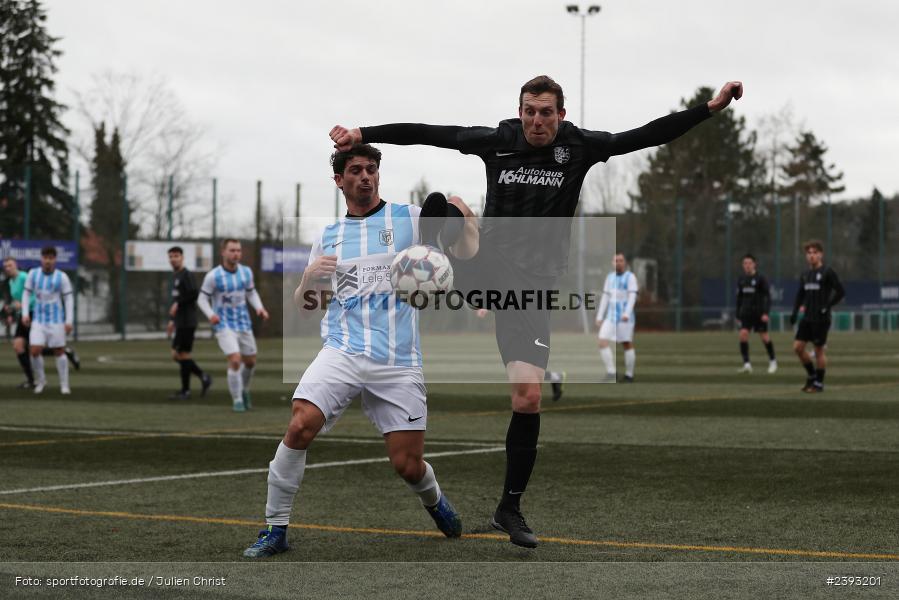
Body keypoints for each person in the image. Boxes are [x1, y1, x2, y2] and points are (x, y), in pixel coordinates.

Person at [331, 75, 743, 548]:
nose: (536, 120)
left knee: (527, 398)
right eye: (529, 110)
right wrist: (365, 133)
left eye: (545, 112)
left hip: (531, 290)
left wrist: (708, 109)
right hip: (486, 263)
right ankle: (434, 253)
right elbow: (431, 132)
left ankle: (509, 507)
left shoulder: (579, 147)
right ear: (520, 110)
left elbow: (644, 135)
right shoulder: (499, 140)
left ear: (560, 115)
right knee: (453, 207)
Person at [243, 144, 462, 558]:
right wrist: (308, 278)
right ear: (339, 180)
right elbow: (305, 307)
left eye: (372, 169)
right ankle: (275, 528)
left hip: (398, 361)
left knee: (407, 465)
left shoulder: (409, 219)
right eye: (356, 170)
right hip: (342, 350)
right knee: (299, 425)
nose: (365, 176)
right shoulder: (328, 237)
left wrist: (452, 224)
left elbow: (452, 220)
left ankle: (435, 500)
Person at [198, 239, 268, 412]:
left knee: (250, 362)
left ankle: (244, 390)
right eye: (232, 250)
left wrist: (260, 308)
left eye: (238, 250)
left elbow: (251, 293)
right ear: (223, 252)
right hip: (223, 325)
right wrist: (211, 314)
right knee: (235, 360)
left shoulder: (246, 272)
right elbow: (202, 299)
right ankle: (237, 399)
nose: (236, 253)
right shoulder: (213, 276)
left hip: (243, 322)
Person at [790, 240, 844, 393]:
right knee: (798, 348)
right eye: (809, 253)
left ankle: (819, 383)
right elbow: (800, 294)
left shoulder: (827, 272)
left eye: (815, 253)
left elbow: (841, 292)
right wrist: (794, 312)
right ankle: (812, 375)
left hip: (821, 319)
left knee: (819, 351)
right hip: (807, 317)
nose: (811, 255)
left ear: (821, 255)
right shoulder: (805, 274)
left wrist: (827, 306)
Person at [21, 246, 74, 394]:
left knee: (59, 351)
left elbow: (69, 299)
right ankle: (42, 381)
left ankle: (64, 384)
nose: (48, 261)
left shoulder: (62, 277)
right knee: (34, 350)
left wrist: (69, 321)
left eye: (51, 258)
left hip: (56, 320)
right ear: (41, 259)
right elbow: (26, 295)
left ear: (55, 260)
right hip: (38, 320)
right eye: (45, 258)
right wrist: (25, 314)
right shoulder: (33, 274)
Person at [166, 246, 212, 400]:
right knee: (181, 355)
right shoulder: (176, 276)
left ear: (182, 258)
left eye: (176, 256)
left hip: (188, 322)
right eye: (171, 256)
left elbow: (194, 294)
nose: (173, 259)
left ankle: (189, 387)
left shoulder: (187, 275)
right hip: (181, 322)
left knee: (179, 354)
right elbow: (177, 300)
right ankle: (199, 379)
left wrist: (177, 304)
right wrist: (172, 320)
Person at [595, 253, 638, 382]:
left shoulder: (630, 277)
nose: (618, 262)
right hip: (610, 316)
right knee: (602, 341)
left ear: (624, 263)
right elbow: (605, 297)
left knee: (626, 343)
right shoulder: (609, 278)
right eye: (615, 260)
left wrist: (626, 313)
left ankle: (629, 374)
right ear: (612, 263)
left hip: (625, 318)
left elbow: (632, 297)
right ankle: (611, 372)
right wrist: (600, 316)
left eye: (620, 260)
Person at [735, 254, 776, 374]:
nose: (747, 265)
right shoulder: (741, 279)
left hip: (759, 313)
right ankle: (747, 364)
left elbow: (767, 297)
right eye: (745, 263)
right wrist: (738, 314)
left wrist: (766, 313)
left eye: (749, 263)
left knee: (764, 337)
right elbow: (739, 298)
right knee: (743, 335)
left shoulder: (761, 278)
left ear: (754, 264)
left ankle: (773, 361)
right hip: (746, 313)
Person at [2, 257, 34, 388]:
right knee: (18, 346)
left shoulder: (24, 277)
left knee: (36, 348)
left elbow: (34, 295)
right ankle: (31, 380)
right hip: (23, 316)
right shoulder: (11, 282)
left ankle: (64, 351)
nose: (8, 268)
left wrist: (23, 305)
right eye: (6, 266)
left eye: (10, 265)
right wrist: (11, 312)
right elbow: (17, 301)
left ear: (16, 265)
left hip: (33, 314)